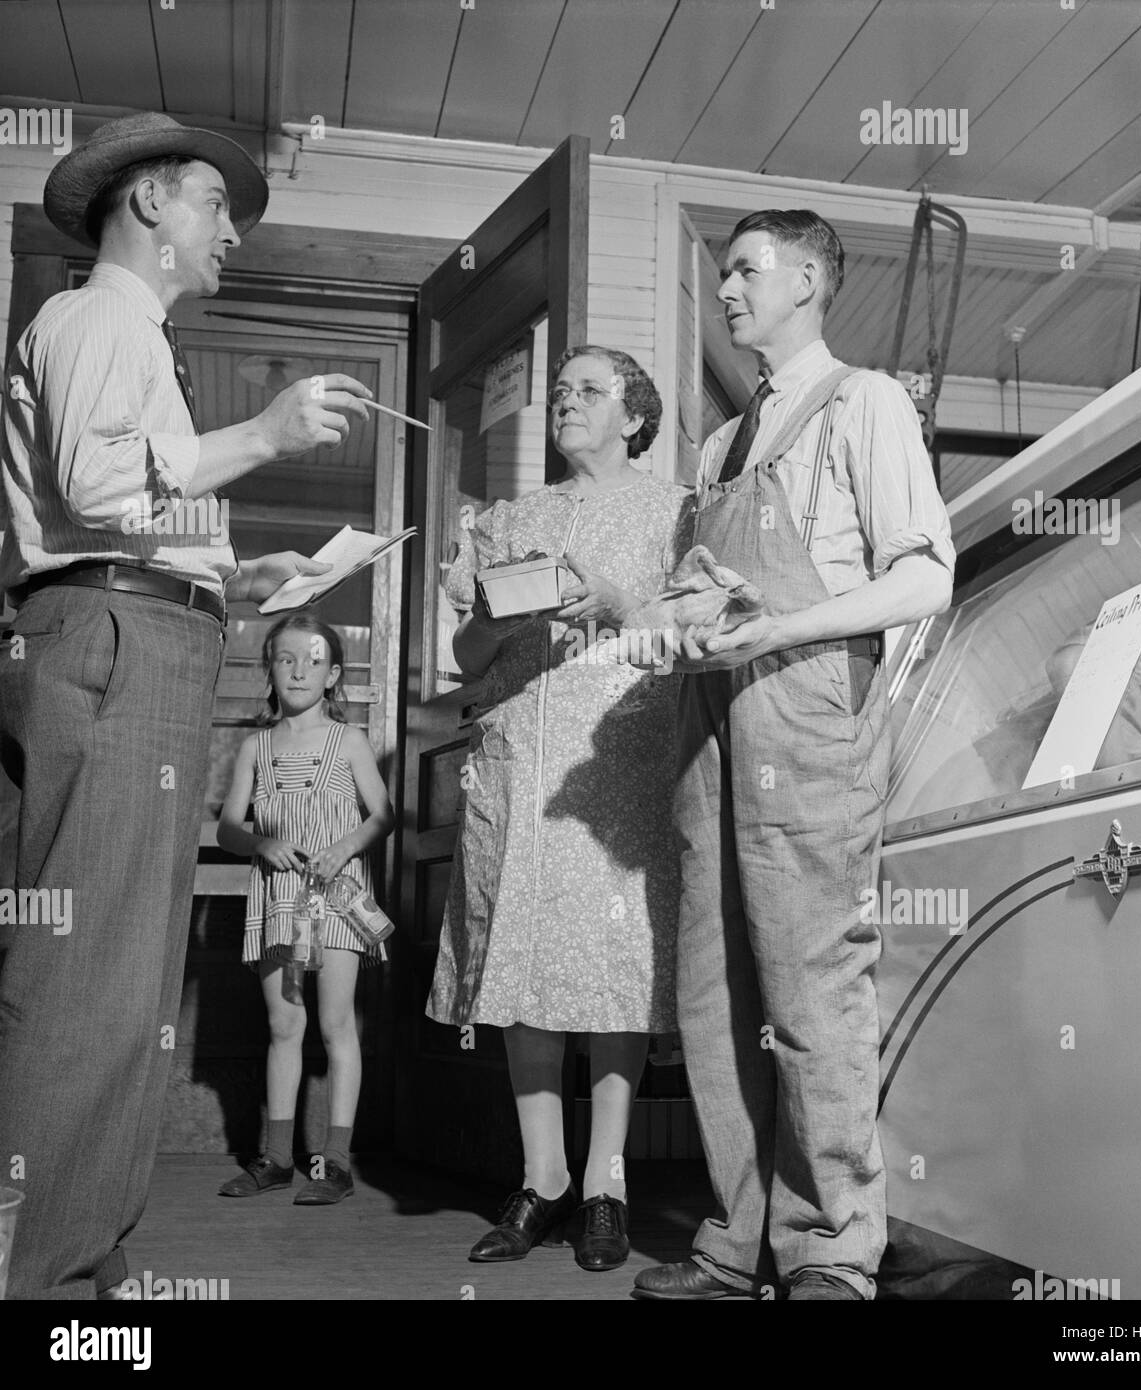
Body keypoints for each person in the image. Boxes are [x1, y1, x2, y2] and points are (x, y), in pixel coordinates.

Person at [0, 111, 373, 1299]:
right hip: (114, 643)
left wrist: (239, 578)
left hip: (144, 633)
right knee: (90, 972)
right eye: (218, 207)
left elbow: (129, 509)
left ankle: (81, 1243)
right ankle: (42, 1268)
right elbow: (103, 485)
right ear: (152, 204)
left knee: (121, 973)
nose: (232, 237)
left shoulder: (133, 337)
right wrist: (264, 433)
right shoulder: (98, 314)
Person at [633, 210, 956, 1301]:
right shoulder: (723, 443)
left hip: (806, 705)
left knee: (812, 983)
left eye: (744, 270)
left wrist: (772, 628)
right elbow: (702, 583)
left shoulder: (863, 403)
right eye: (720, 272)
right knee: (714, 985)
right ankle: (737, 1238)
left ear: (808, 280)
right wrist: (674, 616)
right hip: (710, 718)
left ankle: (827, 1246)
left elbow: (923, 579)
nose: (725, 290)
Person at [427, 346, 690, 1273]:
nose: (568, 403)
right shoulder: (511, 518)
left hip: (615, 762)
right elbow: (467, 653)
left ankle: (606, 1185)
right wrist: (502, 615)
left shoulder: (675, 511)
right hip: (515, 756)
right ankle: (541, 1182)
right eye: (562, 391)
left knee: (612, 972)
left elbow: (695, 628)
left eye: (590, 391)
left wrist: (617, 600)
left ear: (635, 415)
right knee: (523, 965)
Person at [216, 614, 394, 1206]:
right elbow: (227, 828)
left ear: (334, 674)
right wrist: (261, 843)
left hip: (339, 900)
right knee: (283, 1026)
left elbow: (382, 814)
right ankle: (275, 1158)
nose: (298, 670)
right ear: (269, 667)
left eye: (313, 660)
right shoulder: (255, 747)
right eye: (286, 658)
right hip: (278, 900)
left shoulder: (350, 741)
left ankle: (336, 1164)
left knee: (336, 1025)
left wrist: (343, 849)